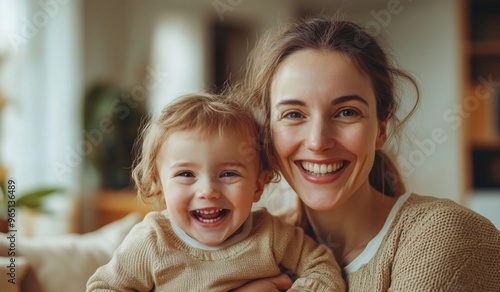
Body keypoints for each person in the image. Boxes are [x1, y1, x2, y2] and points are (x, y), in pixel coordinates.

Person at [234, 17, 500, 291]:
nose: (318, 141)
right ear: (267, 133)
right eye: (293, 114)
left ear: (381, 128)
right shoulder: (255, 243)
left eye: (347, 112)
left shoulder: (444, 234)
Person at [86, 93, 345, 291]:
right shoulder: (151, 242)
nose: (208, 191)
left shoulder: (271, 235)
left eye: (228, 174)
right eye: (186, 174)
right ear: (159, 185)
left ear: (258, 185)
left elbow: (323, 270)